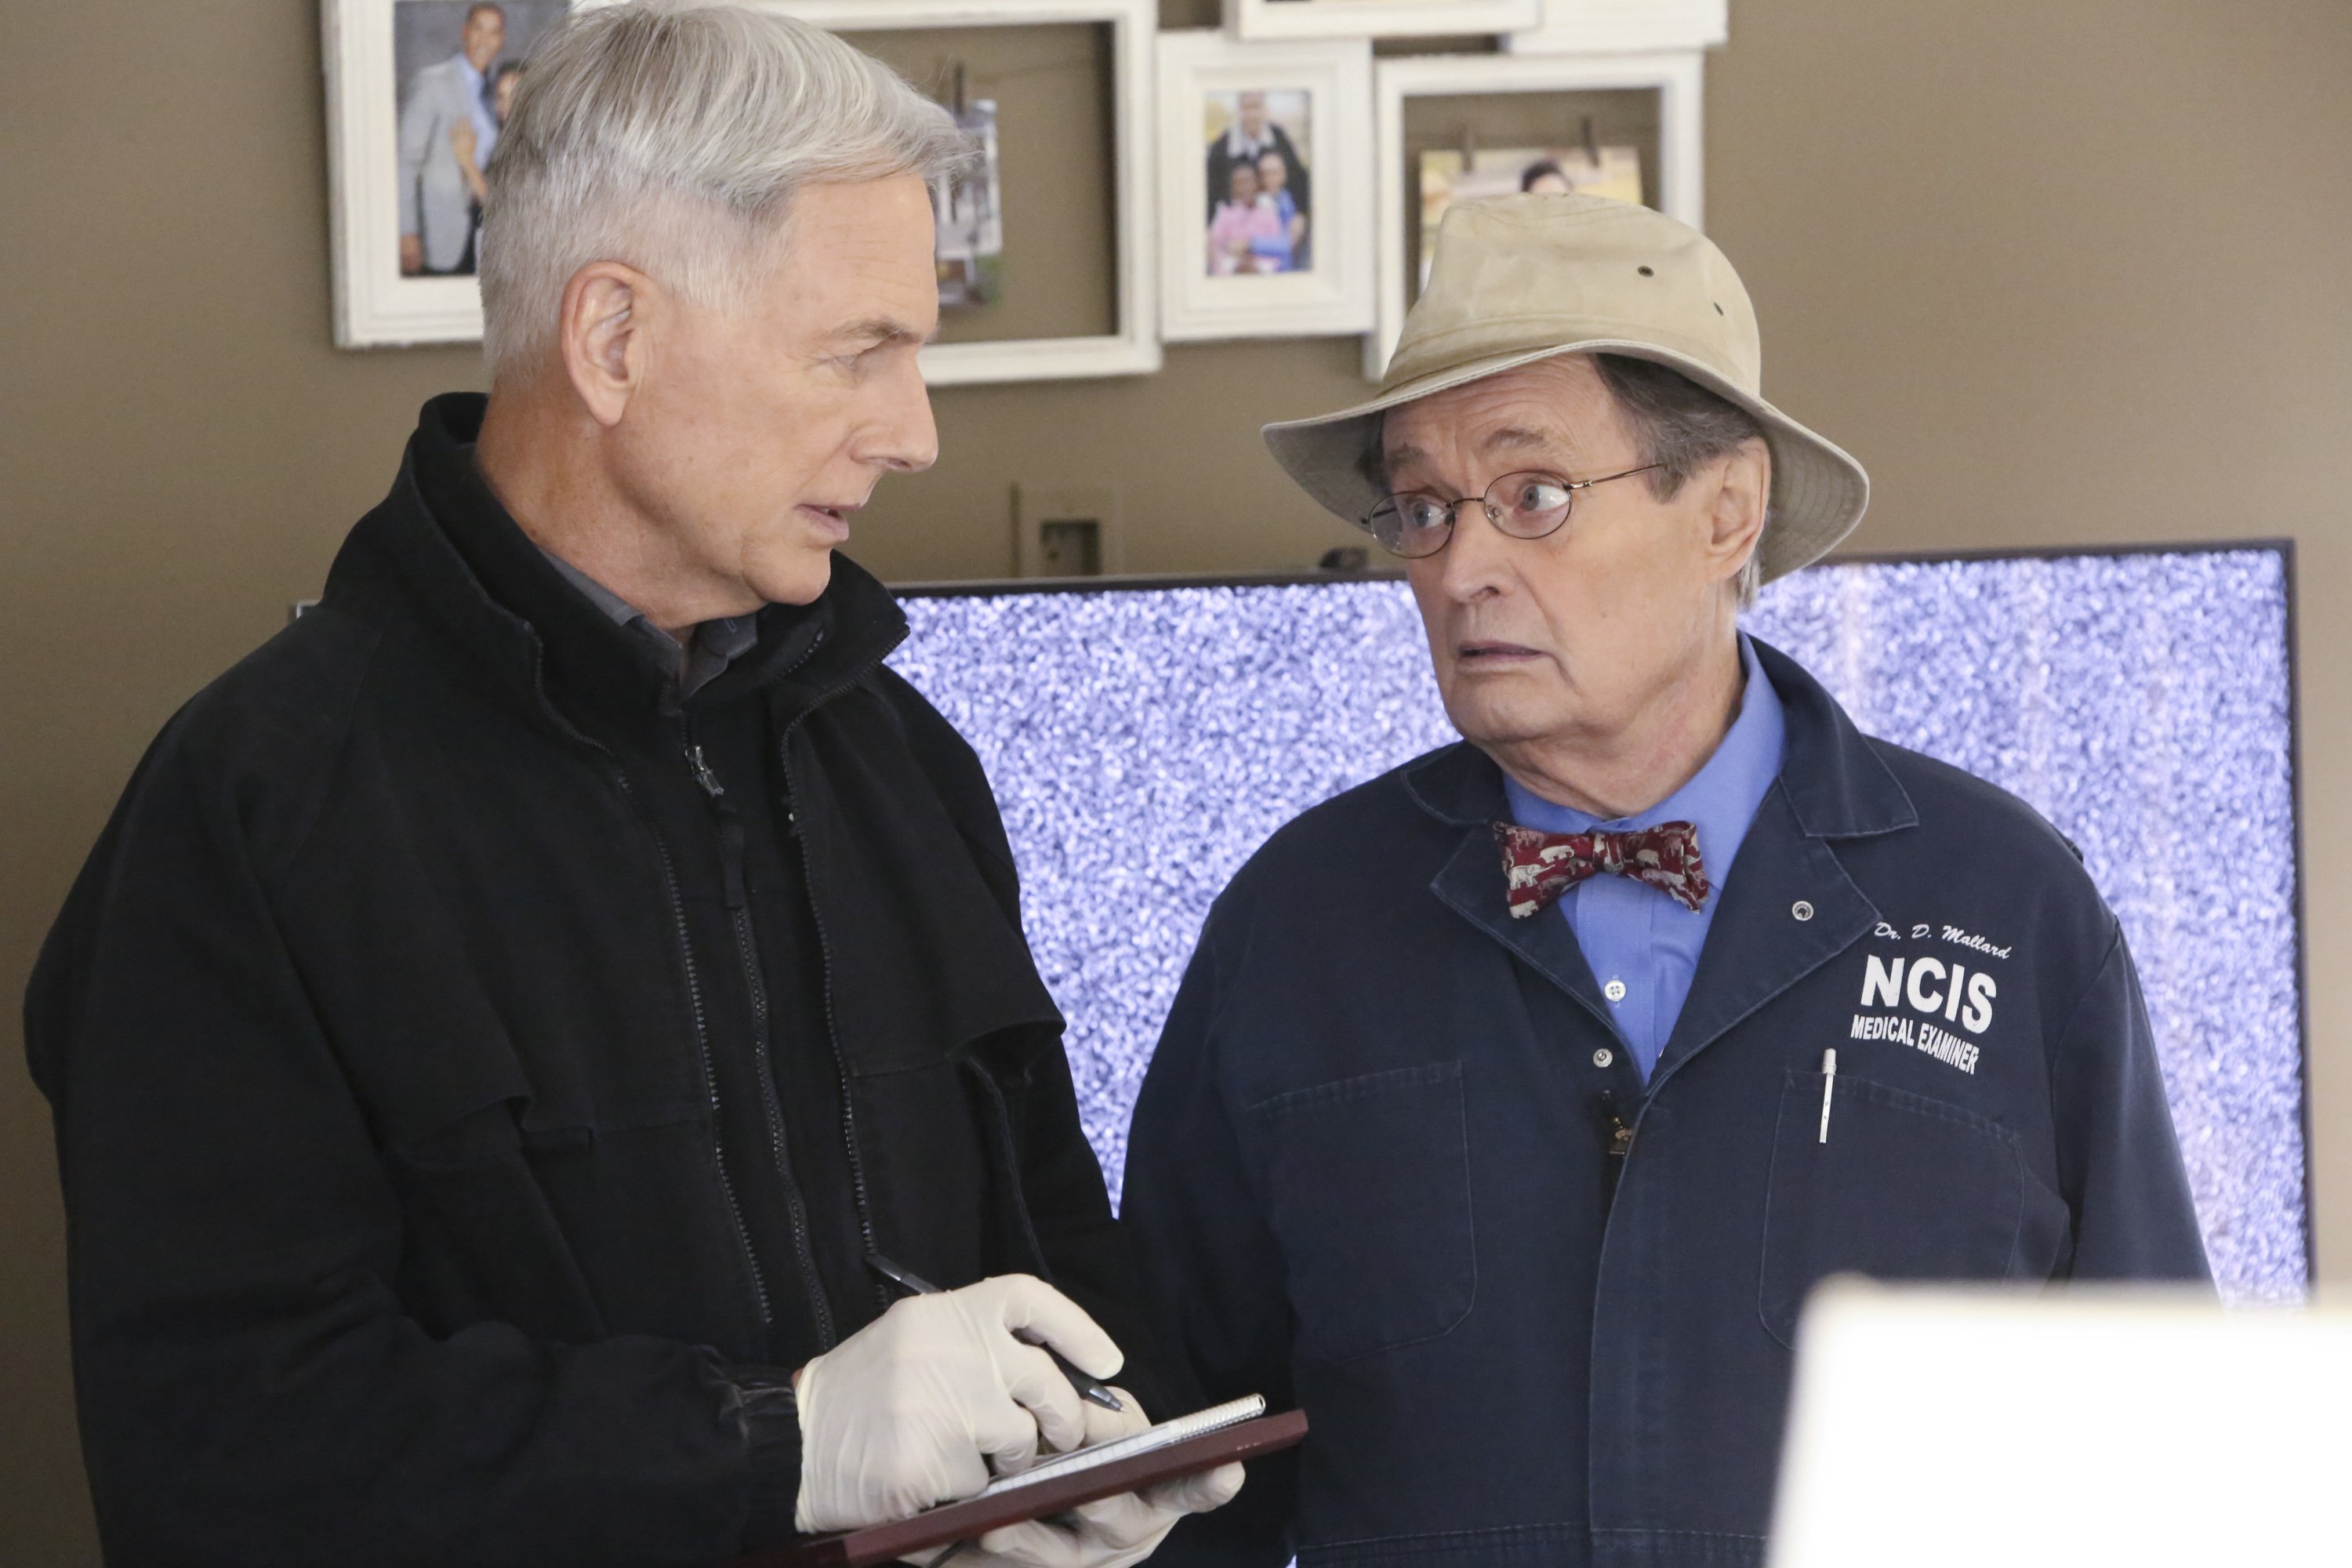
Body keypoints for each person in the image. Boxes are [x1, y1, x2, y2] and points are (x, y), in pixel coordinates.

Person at [27, 7, 1239, 1565]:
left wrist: (1099, 1445)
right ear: (612, 338)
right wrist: (778, 1447)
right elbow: (223, 1455)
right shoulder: (253, 815)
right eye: (857, 352)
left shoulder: (905, 763)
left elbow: (1058, 1234)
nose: (918, 433)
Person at [1123, 192, 2210, 1567]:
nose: (1463, 567)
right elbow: (1177, 1488)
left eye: (1533, 495)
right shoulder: (1293, 931)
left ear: (1728, 511)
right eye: (1422, 507)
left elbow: (2157, 1469)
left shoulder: (2010, 906)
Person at [397, 2, 505, 276]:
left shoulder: (498, 93)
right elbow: (406, 162)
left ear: (501, 40)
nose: (485, 40)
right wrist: (407, 231)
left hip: (486, 232)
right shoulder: (433, 82)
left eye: (494, 32)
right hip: (440, 232)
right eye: (479, 29)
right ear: (465, 32)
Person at [1206, 90, 1308, 225]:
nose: (1252, 115)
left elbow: (1299, 181)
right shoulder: (1222, 146)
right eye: (1247, 108)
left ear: (1265, 110)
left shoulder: (1278, 137)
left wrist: (1300, 216)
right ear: (1239, 111)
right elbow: (1211, 194)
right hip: (1236, 226)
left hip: (1279, 221)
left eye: (1256, 107)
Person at [1207, 162, 1281, 276]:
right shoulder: (1224, 213)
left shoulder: (1269, 213)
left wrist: (1258, 267)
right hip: (1231, 276)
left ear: (1257, 183)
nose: (1243, 187)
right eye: (1238, 183)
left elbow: (1278, 249)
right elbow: (1215, 250)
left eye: (1247, 181)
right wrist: (1234, 266)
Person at [1256, 149, 1307, 271]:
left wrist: (1249, 244)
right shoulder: (1251, 202)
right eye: (1264, 173)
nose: (1269, 178)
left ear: (1283, 175)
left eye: (1274, 173)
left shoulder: (1291, 203)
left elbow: (1289, 244)